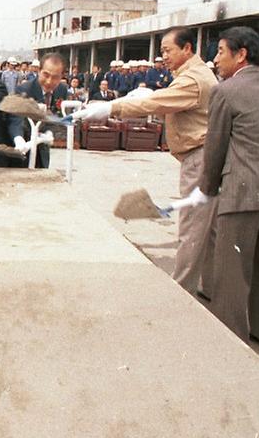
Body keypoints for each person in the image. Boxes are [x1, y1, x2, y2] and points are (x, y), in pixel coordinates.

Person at [73, 27, 219, 296]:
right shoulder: (190, 75)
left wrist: (113, 107)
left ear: (187, 49)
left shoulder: (193, 79)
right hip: (202, 154)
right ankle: (210, 287)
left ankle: (180, 291)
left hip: (199, 157)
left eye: (167, 51)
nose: (163, 57)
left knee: (193, 228)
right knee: (207, 231)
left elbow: (156, 103)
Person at [197, 26, 259, 346]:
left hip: (242, 191)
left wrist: (207, 189)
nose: (216, 59)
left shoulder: (225, 92)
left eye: (221, 52)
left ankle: (230, 339)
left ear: (241, 54)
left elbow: (215, 147)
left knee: (232, 270)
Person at [10, 52, 69, 168]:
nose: (49, 81)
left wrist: (51, 132)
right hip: (24, 147)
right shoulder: (24, 90)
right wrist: (18, 138)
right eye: (46, 75)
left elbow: (60, 115)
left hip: (43, 150)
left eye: (55, 77)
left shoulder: (62, 90)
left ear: (62, 76)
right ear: (39, 71)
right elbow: (15, 118)